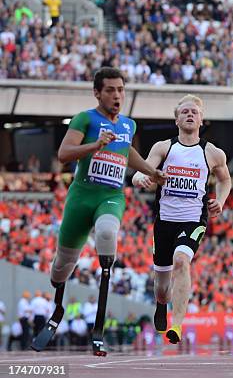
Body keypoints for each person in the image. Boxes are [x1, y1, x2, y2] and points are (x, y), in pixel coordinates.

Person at [35, 67, 166, 356]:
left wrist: (150, 171)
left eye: (120, 89)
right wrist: (96, 144)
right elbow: (63, 154)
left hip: (111, 196)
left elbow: (127, 151)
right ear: (97, 92)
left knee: (107, 234)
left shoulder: (128, 125)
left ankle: (99, 330)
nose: (117, 95)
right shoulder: (86, 118)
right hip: (81, 197)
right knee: (61, 268)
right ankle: (57, 308)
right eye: (110, 90)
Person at [133, 94, 231, 344]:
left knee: (182, 261)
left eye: (194, 112)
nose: (190, 115)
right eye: (185, 111)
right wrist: (142, 178)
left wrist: (220, 201)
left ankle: (176, 324)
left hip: (193, 220)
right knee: (161, 286)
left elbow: (224, 180)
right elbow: (140, 172)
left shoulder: (213, 153)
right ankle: (161, 304)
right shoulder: (164, 147)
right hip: (164, 221)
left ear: (201, 119)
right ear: (176, 119)